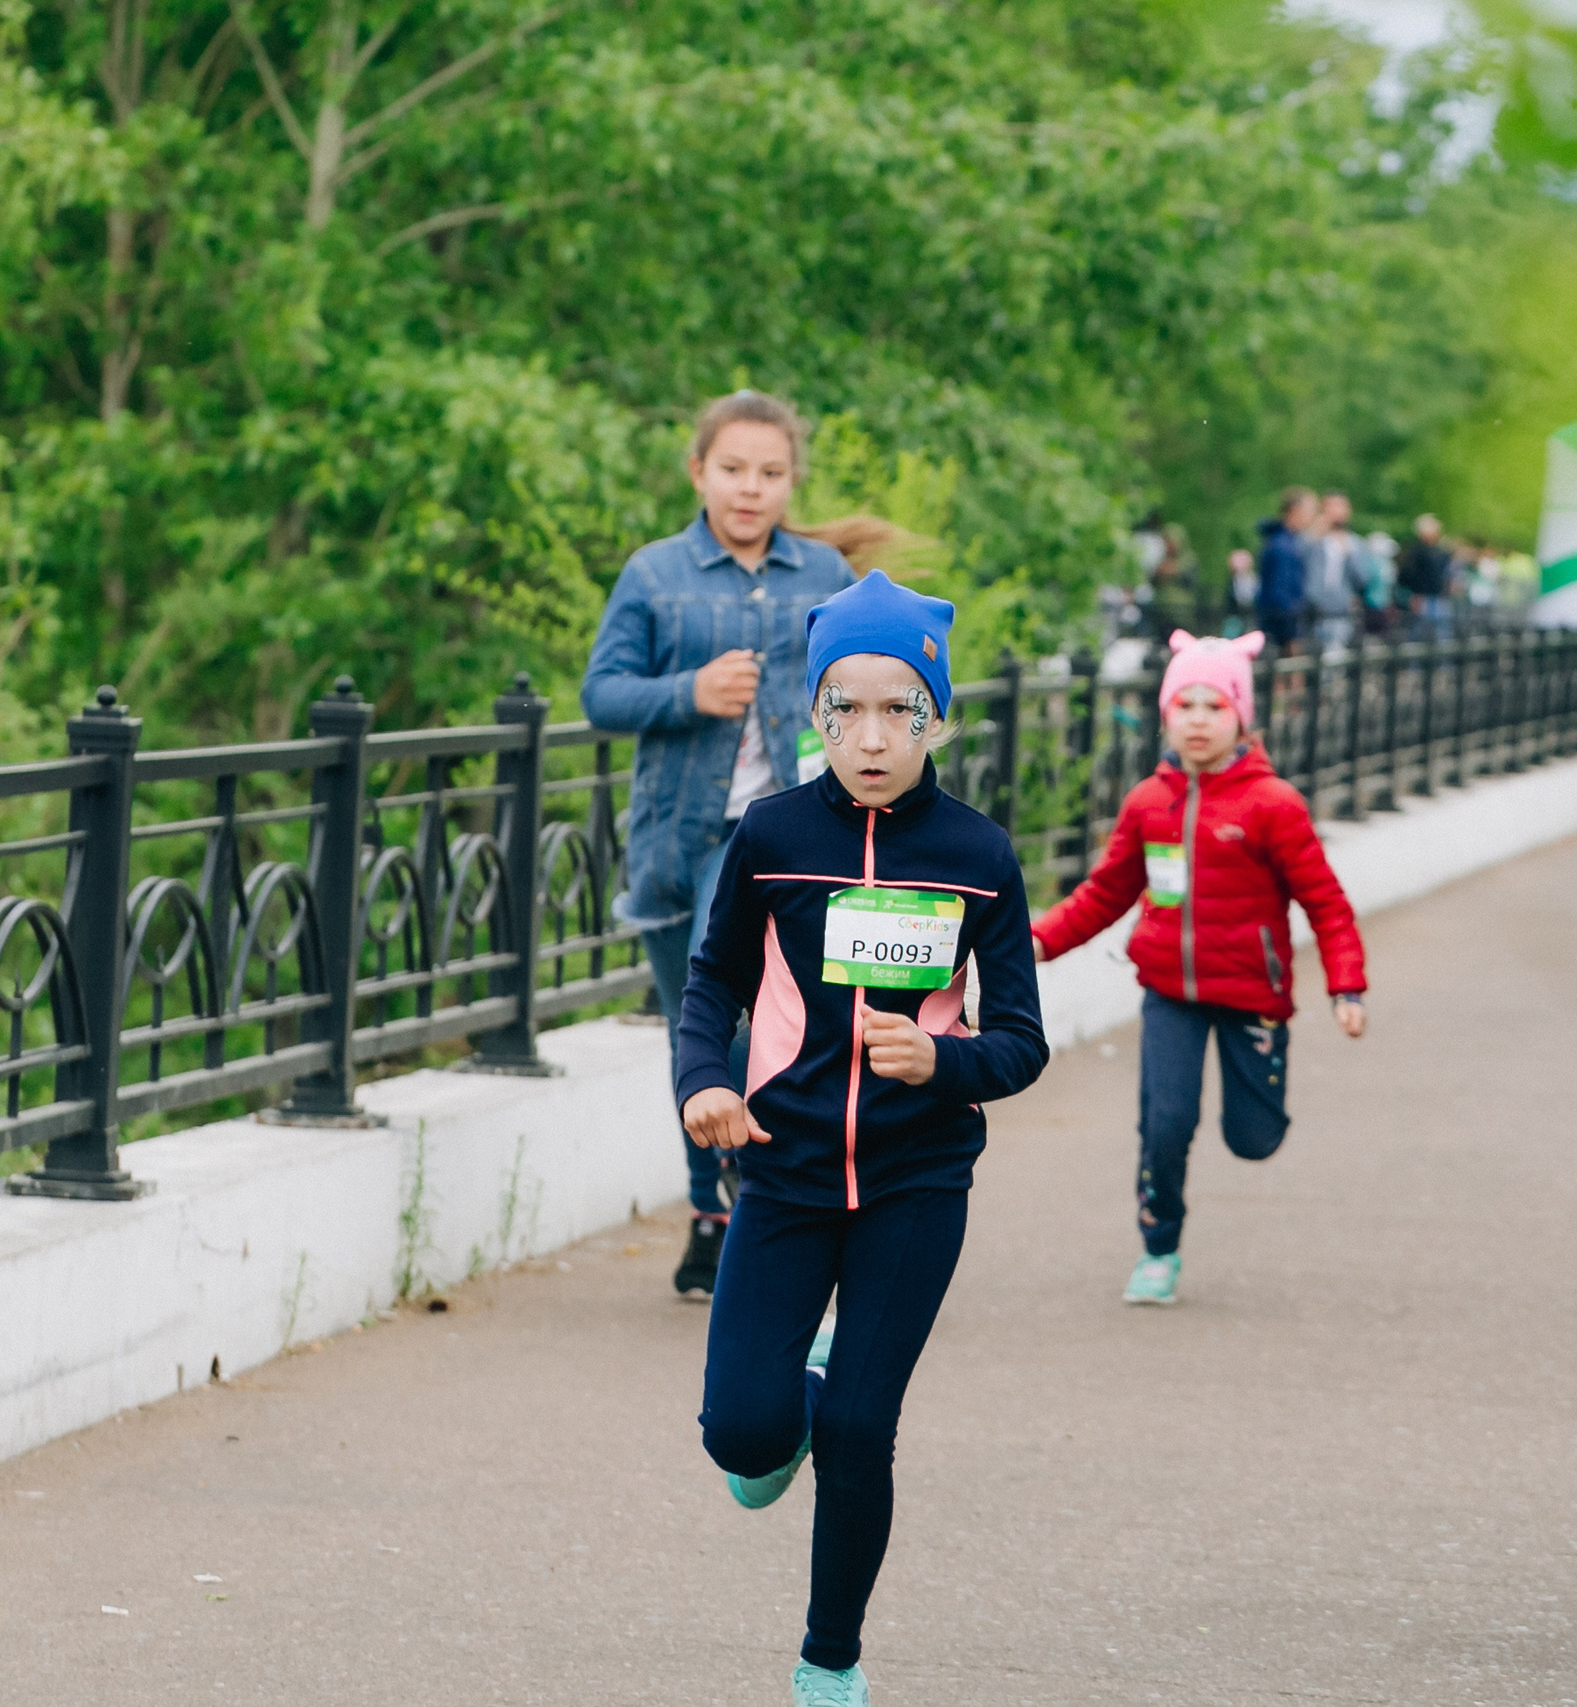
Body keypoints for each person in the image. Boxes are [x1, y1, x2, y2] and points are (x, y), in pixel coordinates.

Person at [678, 570, 1048, 1707]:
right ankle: (778, 1416)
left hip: (916, 1179)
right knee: (741, 1437)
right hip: (784, 1173)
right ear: (815, 715)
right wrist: (702, 1084)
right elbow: (711, 982)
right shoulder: (771, 835)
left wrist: (946, 1061)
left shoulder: (978, 854)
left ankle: (828, 1656)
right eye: (848, 710)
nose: (874, 738)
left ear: (936, 717)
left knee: (857, 1428)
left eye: (902, 712)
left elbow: (1024, 1041)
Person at [582, 390, 856, 1300]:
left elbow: (867, 683)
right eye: (733, 469)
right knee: (694, 1028)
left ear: (791, 482)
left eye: (771, 473)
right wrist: (687, 692)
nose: (751, 488)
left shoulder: (823, 575)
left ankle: (761, 1203)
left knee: (752, 1021)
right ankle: (712, 1213)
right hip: (682, 839)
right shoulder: (655, 574)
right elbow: (601, 694)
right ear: (698, 471)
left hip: (789, 836)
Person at [1029, 629, 1368, 1306]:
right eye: (1186, 704)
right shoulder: (1148, 803)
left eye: (1216, 706)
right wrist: (1034, 942)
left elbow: (1325, 901)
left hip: (1252, 993)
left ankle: (1253, 1114)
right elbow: (1104, 893)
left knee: (1253, 1138)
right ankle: (1159, 1245)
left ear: (1242, 715)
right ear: (1165, 714)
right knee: (1165, 1123)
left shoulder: (1273, 804)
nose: (1200, 720)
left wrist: (1346, 984)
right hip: (1169, 993)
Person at [1304, 490, 1373, 653]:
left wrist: (1349, 554)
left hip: (1341, 612)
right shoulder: (1313, 539)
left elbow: (1363, 579)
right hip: (1312, 612)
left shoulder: (1355, 543)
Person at [1254, 488, 1316, 653]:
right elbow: (1280, 592)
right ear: (1295, 511)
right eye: (1310, 510)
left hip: (1284, 622)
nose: (1312, 516)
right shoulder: (1284, 546)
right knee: (1287, 671)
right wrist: (1291, 632)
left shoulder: (1285, 542)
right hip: (1283, 626)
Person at [1400, 513, 1456, 639]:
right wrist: (1414, 595)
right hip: (1423, 599)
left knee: (1441, 636)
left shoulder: (1440, 552)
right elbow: (1408, 576)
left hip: (1439, 598)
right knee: (1419, 636)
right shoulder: (1416, 552)